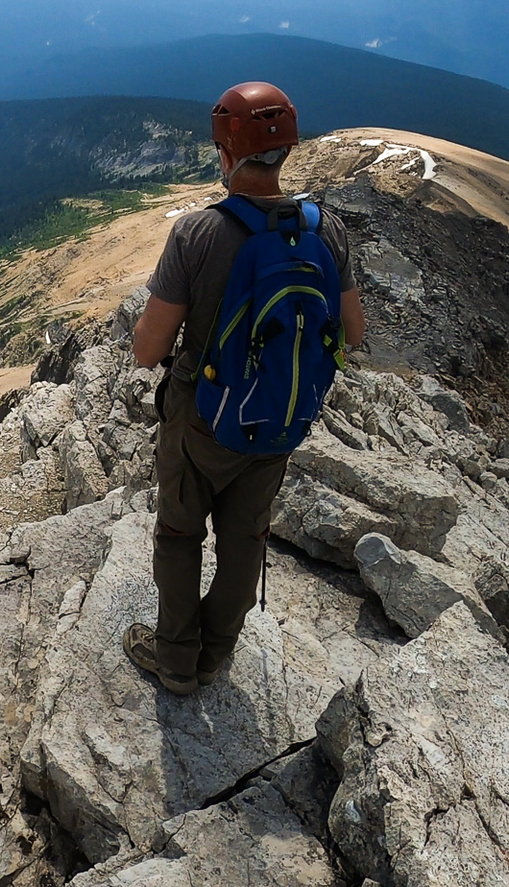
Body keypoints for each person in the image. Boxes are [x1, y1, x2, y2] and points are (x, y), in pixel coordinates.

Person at [125, 81, 365, 695]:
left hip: (202, 415)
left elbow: (148, 351)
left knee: (180, 531)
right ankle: (216, 652)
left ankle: (178, 659)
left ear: (226, 153)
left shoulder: (199, 234)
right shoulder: (327, 231)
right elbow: (354, 334)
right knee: (246, 538)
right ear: (286, 149)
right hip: (281, 416)